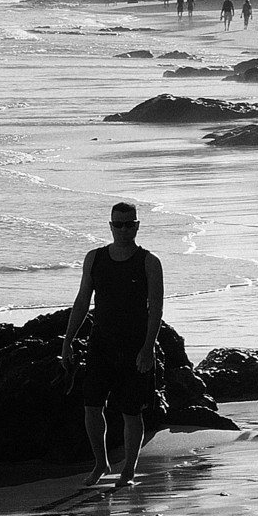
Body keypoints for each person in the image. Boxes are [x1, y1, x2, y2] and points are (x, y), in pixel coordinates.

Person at [59, 200, 164, 488]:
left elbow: (156, 309)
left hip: (134, 347)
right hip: (100, 344)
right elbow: (82, 301)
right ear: (110, 226)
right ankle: (101, 464)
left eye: (129, 224)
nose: (123, 229)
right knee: (91, 407)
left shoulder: (149, 262)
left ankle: (128, 470)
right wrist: (68, 340)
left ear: (137, 225)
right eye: (118, 224)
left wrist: (148, 348)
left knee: (132, 412)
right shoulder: (94, 258)